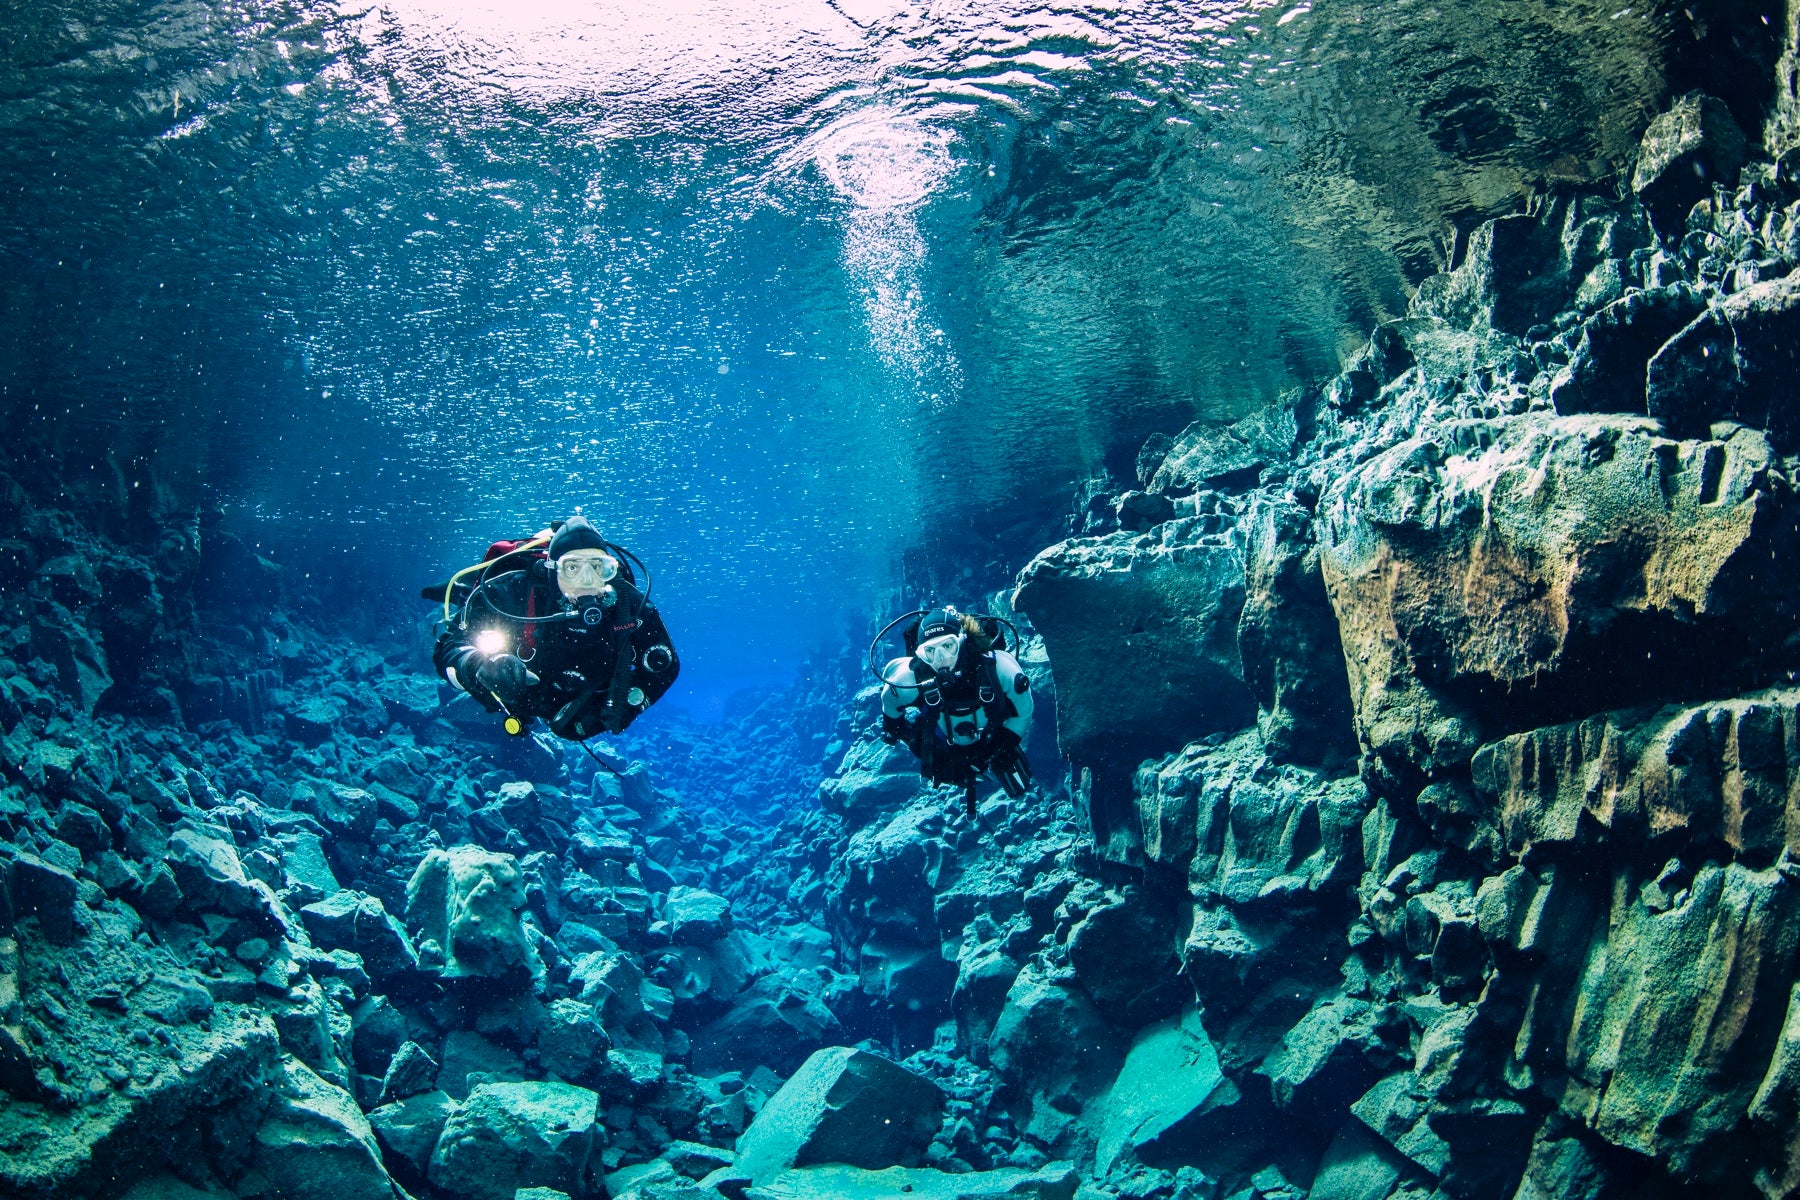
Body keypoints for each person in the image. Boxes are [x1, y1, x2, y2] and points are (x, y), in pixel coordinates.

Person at [431, 514, 679, 739]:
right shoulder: (511, 593)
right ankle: (461, 591)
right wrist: (478, 666)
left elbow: (665, 669)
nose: (586, 581)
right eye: (572, 568)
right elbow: (447, 649)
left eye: (596, 567)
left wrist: (610, 715)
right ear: (552, 570)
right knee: (470, 602)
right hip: (523, 695)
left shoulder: (629, 606)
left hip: (580, 698)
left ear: (609, 570)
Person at [878, 605, 1034, 813]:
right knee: (940, 766)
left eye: (948, 646)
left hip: (990, 734)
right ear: (920, 654)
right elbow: (890, 709)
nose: (941, 658)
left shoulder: (999, 670)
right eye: (930, 651)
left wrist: (1000, 748)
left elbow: (1023, 712)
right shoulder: (907, 682)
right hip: (943, 739)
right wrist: (914, 741)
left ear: (961, 640)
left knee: (1009, 770)